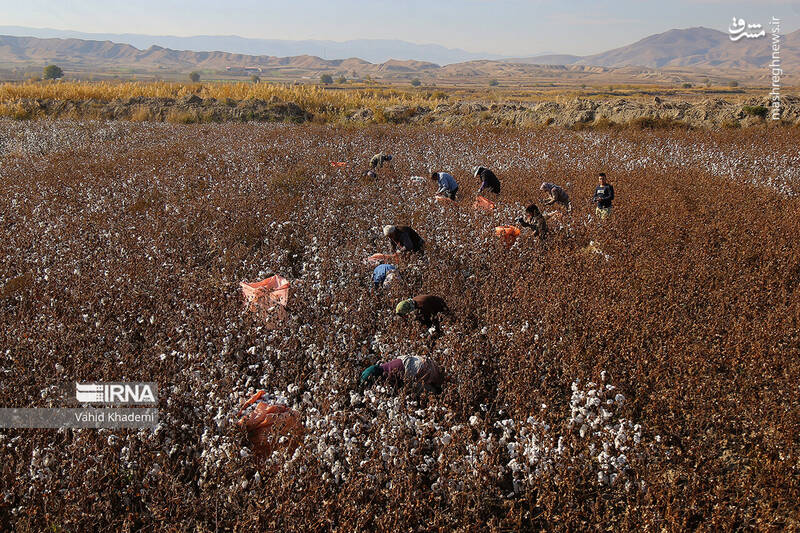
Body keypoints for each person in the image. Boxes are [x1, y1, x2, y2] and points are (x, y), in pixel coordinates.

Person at [360, 354, 443, 392]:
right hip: (421, 361)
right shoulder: (384, 366)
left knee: (431, 391)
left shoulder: (387, 375)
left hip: (422, 369)